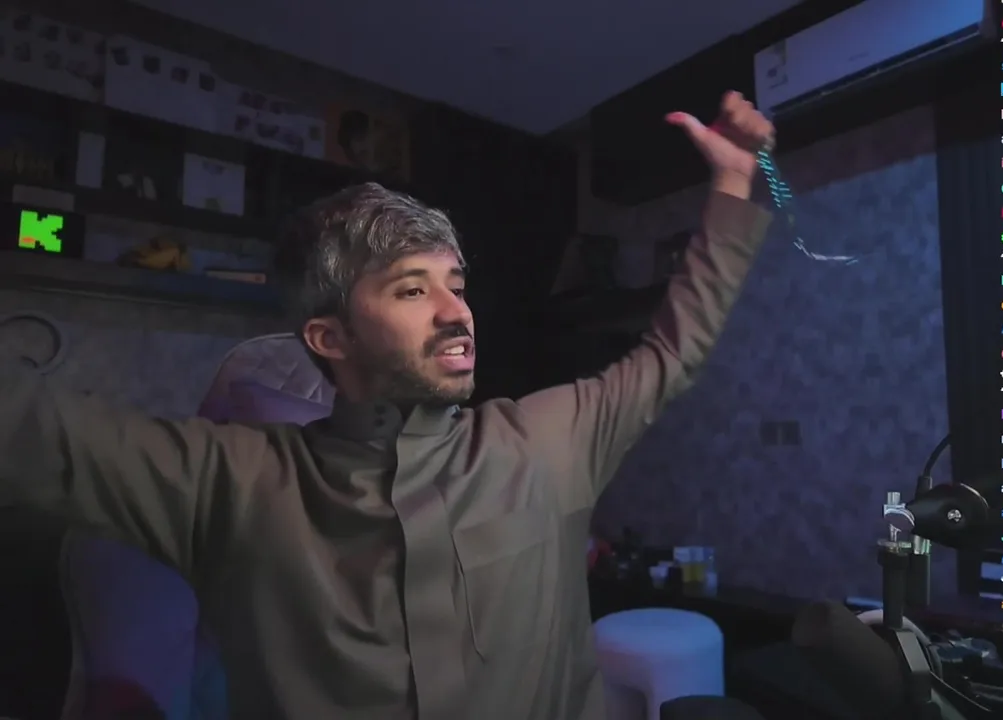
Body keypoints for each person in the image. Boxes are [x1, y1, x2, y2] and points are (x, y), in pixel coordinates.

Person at [0, 91, 775, 719]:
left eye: (457, 286)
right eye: (412, 289)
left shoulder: (546, 440)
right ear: (330, 337)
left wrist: (735, 187)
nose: (456, 311)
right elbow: (30, 431)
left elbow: (671, 353)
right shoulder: (230, 481)